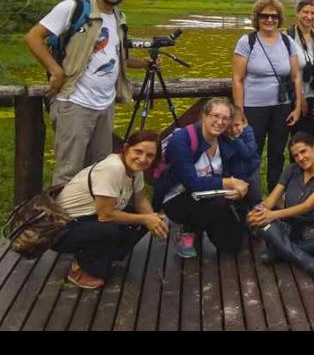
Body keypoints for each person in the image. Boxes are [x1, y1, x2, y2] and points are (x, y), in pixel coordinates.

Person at [24, 0, 156, 185]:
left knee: (99, 169)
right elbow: (33, 37)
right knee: (68, 170)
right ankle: (61, 208)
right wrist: (55, 70)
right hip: (74, 101)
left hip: (105, 105)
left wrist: (145, 63)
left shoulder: (119, 18)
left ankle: (90, 208)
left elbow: (115, 57)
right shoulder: (73, 8)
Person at [53, 130, 169, 289]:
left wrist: (153, 218)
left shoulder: (135, 171)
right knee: (109, 230)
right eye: (138, 151)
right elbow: (106, 215)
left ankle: (105, 256)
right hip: (59, 228)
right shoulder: (113, 168)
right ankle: (79, 269)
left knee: (144, 217)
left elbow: (141, 199)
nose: (143, 159)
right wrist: (146, 219)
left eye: (150, 155)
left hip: (87, 219)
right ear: (126, 148)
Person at [154, 97, 250, 258]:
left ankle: (203, 224)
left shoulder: (225, 140)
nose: (220, 122)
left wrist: (240, 190)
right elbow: (192, 183)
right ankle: (187, 230)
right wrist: (230, 182)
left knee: (232, 245)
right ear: (204, 115)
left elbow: (243, 169)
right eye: (215, 116)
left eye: (225, 118)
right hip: (177, 198)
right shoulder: (182, 139)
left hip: (212, 195)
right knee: (218, 204)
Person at [247, 132, 314, 275]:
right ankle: (302, 257)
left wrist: (273, 214)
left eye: (303, 151)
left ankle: (277, 253)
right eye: (296, 155)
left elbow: (307, 206)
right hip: (287, 227)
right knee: (259, 220)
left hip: (312, 229)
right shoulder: (291, 169)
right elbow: (271, 199)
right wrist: (256, 212)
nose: (300, 158)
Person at [231, 0, 303, 193]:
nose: (269, 20)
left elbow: (296, 76)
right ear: (257, 18)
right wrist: (239, 111)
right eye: (264, 16)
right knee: (251, 151)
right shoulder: (247, 42)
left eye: (274, 16)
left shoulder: (288, 42)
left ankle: (274, 195)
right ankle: (249, 195)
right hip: (253, 107)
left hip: (282, 106)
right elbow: (237, 78)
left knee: (277, 152)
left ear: (279, 18)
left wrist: (297, 106)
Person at [286, 0, 314, 142]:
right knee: (298, 139)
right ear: (298, 13)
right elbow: (288, 72)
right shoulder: (288, 36)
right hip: (296, 97)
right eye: (305, 12)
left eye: (313, 13)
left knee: (313, 139)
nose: (309, 16)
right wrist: (300, 99)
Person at [226, 107, 262, 207]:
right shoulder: (224, 138)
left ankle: (258, 212)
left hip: (252, 171)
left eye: (237, 125)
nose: (234, 130)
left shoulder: (248, 133)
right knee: (238, 200)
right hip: (235, 174)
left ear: (244, 123)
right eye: (229, 126)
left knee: (255, 197)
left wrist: (235, 140)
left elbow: (247, 153)